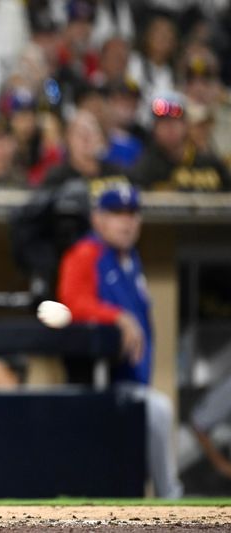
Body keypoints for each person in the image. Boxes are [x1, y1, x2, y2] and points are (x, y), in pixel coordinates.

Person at [57, 184, 182, 498]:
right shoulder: (87, 252)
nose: (126, 222)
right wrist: (116, 316)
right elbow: (71, 301)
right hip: (100, 381)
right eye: (116, 214)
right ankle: (171, 497)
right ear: (98, 218)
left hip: (131, 380)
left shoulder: (131, 259)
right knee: (160, 409)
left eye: (132, 214)